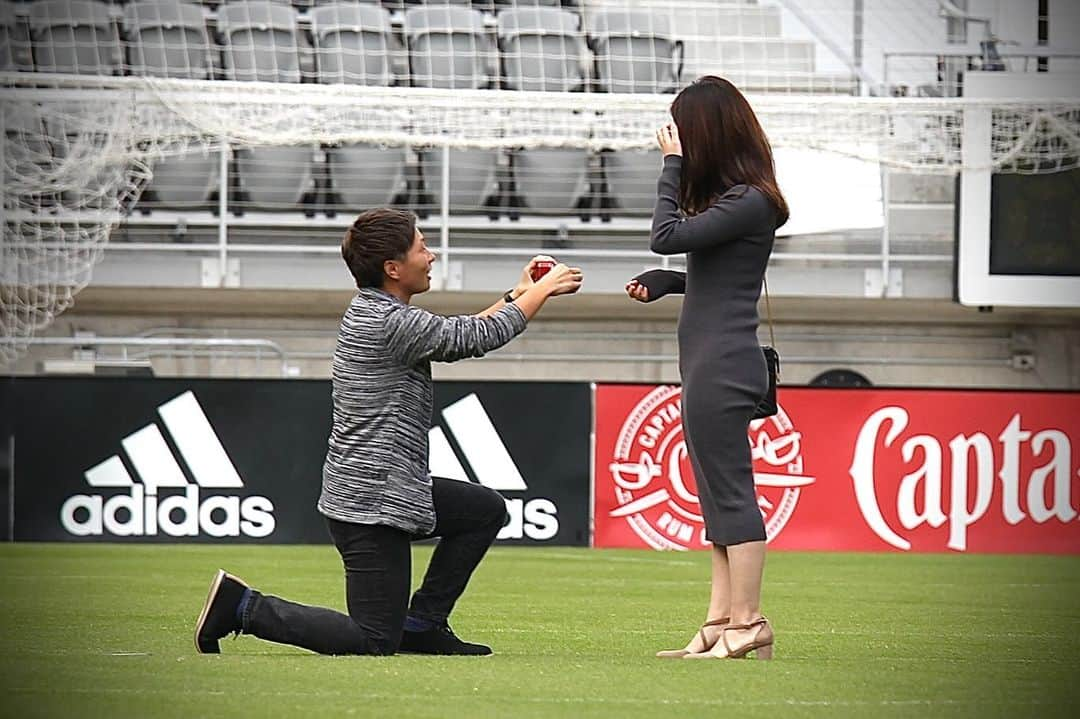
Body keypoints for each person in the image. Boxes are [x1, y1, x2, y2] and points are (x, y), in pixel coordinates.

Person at [195, 208, 583, 656]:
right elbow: (473, 338)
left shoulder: (379, 312)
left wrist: (518, 294)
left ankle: (422, 624)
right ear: (393, 268)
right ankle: (243, 607)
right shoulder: (389, 321)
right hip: (372, 504)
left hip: (387, 489)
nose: (431, 255)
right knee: (374, 638)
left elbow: (458, 331)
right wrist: (543, 291)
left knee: (483, 510)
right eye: (422, 247)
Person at [624, 76, 788, 660]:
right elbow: (721, 281)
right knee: (717, 498)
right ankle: (721, 622)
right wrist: (673, 283)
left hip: (722, 363)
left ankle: (749, 623)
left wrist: (669, 168)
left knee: (732, 494)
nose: (680, 143)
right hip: (709, 360)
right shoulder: (738, 202)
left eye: (685, 132)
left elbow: (662, 234)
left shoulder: (749, 200)